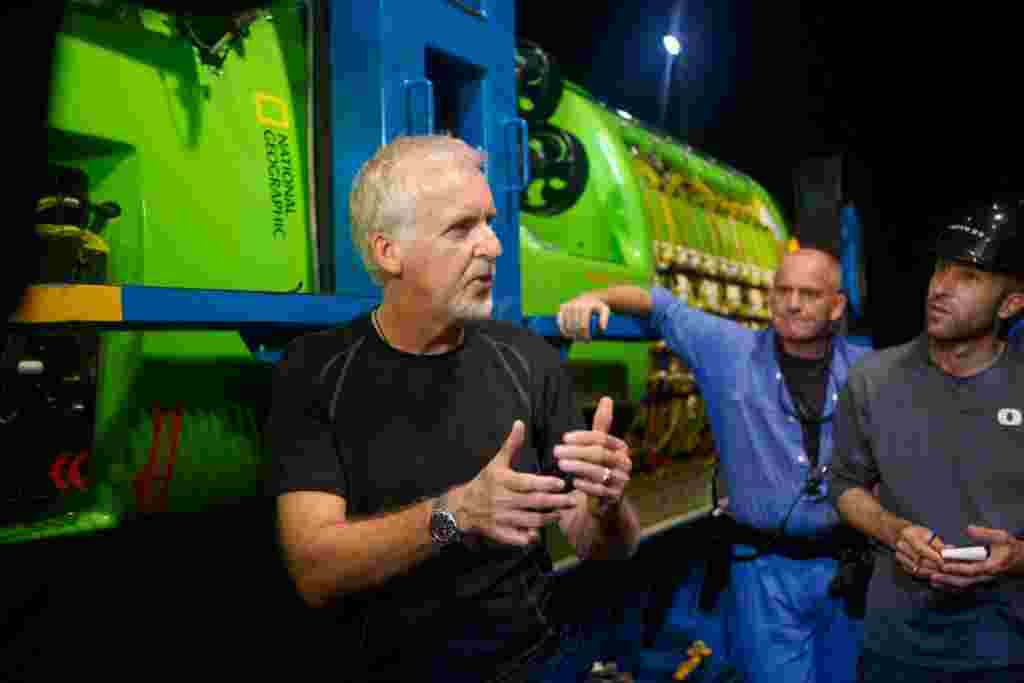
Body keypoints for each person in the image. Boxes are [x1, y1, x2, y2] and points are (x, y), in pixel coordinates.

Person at [264, 135, 640, 683]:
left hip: (526, 666)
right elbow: (313, 568)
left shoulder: (529, 363)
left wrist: (609, 505)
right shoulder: (315, 371)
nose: (492, 246)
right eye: (461, 229)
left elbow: (601, 546)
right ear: (387, 251)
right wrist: (455, 515)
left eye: (488, 222)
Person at [558, 247, 870, 683]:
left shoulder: (867, 371)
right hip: (762, 571)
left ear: (836, 305)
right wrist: (596, 299)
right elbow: (661, 306)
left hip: (847, 569)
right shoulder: (729, 351)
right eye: (783, 290)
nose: (793, 303)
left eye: (809, 294)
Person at [829, 197, 1024, 681]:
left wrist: (1019, 557)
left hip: (1004, 650)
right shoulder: (871, 378)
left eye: (969, 277)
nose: (941, 287)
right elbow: (844, 486)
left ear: (1012, 303)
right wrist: (894, 531)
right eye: (941, 269)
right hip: (893, 647)